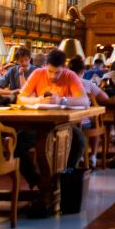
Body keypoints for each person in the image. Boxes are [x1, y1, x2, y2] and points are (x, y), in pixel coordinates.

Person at [18, 49, 90, 178]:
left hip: (62, 124)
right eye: (50, 71)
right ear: (45, 66)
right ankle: (35, 180)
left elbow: (85, 101)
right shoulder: (37, 73)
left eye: (57, 72)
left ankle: (65, 176)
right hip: (39, 124)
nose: (53, 76)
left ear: (64, 68)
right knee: (17, 143)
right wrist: (37, 100)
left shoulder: (70, 75)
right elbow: (20, 98)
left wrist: (63, 100)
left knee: (80, 141)